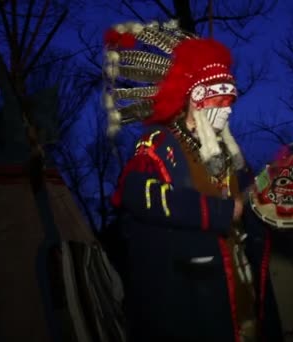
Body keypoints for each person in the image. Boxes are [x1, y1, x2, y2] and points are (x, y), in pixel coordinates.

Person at [102, 20, 275, 342]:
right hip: (188, 287)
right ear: (194, 99)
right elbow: (136, 193)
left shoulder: (227, 152)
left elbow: (248, 196)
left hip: (236, 276)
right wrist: (220, 212)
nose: (227, 111)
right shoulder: (158, 142)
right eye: (219, 102)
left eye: (231, 101)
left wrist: (275, 186)